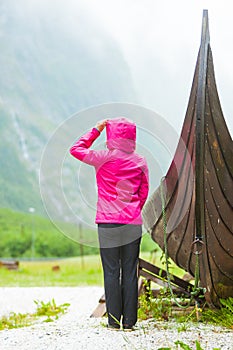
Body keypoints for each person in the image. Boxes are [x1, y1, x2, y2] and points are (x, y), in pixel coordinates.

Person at [70, 117, 149, 331]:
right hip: (132, 222)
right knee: (130, 270)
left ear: (111, 135)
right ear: (132, 136)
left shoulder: (102, 157)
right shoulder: (140, 161)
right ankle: (130, 321)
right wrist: (133, 211)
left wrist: (96, 129)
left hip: (107, 223)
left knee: (112, 270)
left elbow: (76, 149)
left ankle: (113, 321)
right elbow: (143, 191)